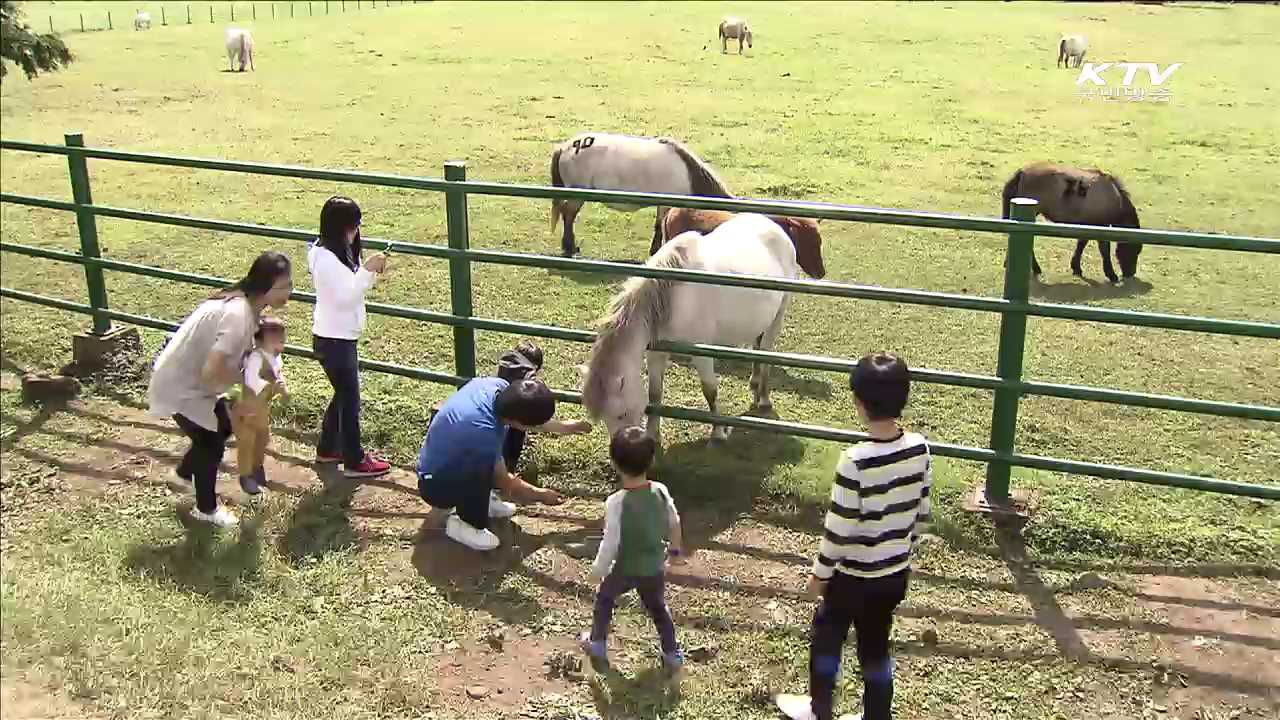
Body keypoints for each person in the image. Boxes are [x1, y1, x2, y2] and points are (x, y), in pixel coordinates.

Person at [776, 352, 933, 720]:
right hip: (894, 575)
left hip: (851, 578)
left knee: (828, 640)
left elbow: (839, 528)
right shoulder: (920, 448)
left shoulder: (855, 461)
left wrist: (820, 575)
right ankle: (877, 715)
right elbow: (922, 512)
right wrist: (902, 552)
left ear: (858, 403)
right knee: (876, 648)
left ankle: (820, 710)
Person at [148, 251, 293, 528]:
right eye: (284, 286)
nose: (290, 292)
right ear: (264, 286)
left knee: (220, 429)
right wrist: (243, 391)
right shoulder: (239, 314)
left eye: (290, 285)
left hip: (189, 380)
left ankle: (182, 475)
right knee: (211, 441)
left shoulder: (244, 306)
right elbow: (212, 370)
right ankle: (206, 509)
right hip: (182, 384)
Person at [416, 376, 579, 551]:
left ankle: (482, 500)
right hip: (435, 485)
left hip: (450, 456)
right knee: (484, 465)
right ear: (518, 421)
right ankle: (466, 524)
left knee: (488, 455)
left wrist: (565, 427)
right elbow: (503, 480)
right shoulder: (482, 430)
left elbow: (524, 422)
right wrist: (541, 495)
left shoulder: (498, 386)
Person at [578, 426, 685, 677]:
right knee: (659, 608)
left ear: (614, 462)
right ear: (652, 459)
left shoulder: (617, 502)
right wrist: (675, 551)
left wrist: (598, 571)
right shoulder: (660, 490)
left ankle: (597, 644)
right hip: (654, 567)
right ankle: (672, 653)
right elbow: (674, 521)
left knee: (605, 599)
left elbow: (610, 542)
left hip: (625, 568)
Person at [308, 195, 391, 478]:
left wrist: (364, 268)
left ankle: (328, 448)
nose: (357, 232)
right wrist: (367, 271)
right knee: (349, 399)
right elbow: (345, 296)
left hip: (333, 336)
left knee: (342, 396)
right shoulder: (328, 261)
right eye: (353, 227)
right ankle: (354, 460)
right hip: (336, 340)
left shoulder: (324, 252)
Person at [228, 315, 288, 496]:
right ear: (260, 342)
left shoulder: (275, 359)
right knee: (247, 441)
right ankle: (246, 475)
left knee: (262, 438)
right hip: (246, 409)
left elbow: (278, 374)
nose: (280, 345)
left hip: (261, 408)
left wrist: (282, 385)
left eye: (282, 341)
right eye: (275, 342)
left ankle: (257, 467)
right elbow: (252, 381)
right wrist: (272, 386)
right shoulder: (255, 358)